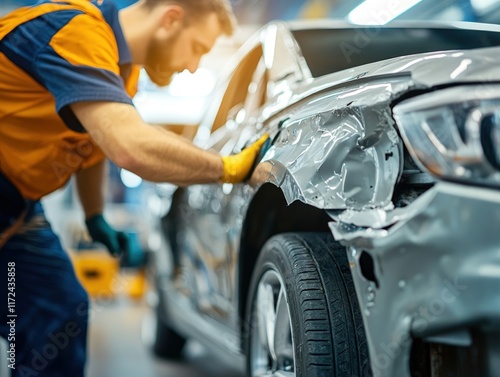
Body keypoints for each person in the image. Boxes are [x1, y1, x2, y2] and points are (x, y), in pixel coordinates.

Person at [0, 0, 267, 375]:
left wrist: (95, 216)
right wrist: (227, 167)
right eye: (197, 49)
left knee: (58, 313)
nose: (193, 66)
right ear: (170, 19)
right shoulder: (79, 33)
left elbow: (92, 146)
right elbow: (129, 146)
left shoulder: (120, 70)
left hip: (18, 211)